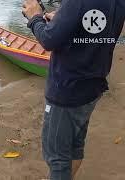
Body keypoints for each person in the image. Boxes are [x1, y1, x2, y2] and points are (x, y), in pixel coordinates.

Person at [22, 0, 125, 179]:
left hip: (67, 91)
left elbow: (48, 39)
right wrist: (63, 19)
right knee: (75, 146)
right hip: (92, 88)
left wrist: (35, 17)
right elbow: (100, 25)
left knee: (57, 159)